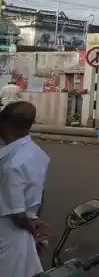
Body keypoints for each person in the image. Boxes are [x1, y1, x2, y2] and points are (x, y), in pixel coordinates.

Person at [0, 101, 50, 277]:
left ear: (5, 124)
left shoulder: (11, 165)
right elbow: (40, 192)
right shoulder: (37, 153)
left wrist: (33, 229)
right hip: (26, 227)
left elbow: (17, 214)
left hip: (9, 235)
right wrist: (35, 222)